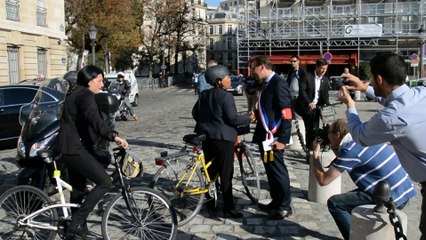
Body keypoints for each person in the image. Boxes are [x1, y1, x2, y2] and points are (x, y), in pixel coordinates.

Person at [339, 52, 426, 239]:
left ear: (379, 78)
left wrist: (350, 106)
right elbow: (394, 99)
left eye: (371, 78)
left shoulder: (392, 117)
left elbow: (360, 136)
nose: (369, 81)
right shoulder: (420, 93)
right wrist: (365, 88)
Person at [56, 65, 129, 239]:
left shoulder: (75, 93)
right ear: (90, 81)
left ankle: (76, 232)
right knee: (105, 182)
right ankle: (76, 224)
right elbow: (94, 119)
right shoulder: (86, 96)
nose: (102, 84)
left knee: (78, 190)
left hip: (69, 146)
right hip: (73, 148)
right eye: (99, 81)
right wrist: (114, 136)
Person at [312, 118, 416, 240]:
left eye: (329, 134)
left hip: (390, 198)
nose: (327, 138)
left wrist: (315, 157)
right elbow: (344, 161)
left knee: (335, 204)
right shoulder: (364, 138)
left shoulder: (350, 152)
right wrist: (335, 147)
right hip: (403, 189)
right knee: (348, 201)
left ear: (337, 134)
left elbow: (323, 180)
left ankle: (354, 237)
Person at [192, 65, 250, 218]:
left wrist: (206, 123)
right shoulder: (226, 96)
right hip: (223, 139)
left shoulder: (204, 94)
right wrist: (248, 118)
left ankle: (211, 204)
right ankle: (229, 207)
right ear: (219, 81)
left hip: (207, 138)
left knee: (210, 172)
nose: (230, 80)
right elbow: (232, 118)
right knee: (226, 174)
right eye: (227, 78)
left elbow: (195, 112)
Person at [249, 55, 293, 220]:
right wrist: (256, 115)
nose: (253, 72)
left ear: (261, 67)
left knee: (278, 171)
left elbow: (287, 113)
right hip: (266, 138)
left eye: (254, 68)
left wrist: (283, 139)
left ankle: (285, 206)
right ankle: (276, 201)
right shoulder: (266, 84)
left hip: (275, 139)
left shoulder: (278, 83)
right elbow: (269, 108)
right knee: (270, 169)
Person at [294, 57, 330, 151]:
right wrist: (309, 103)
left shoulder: (325, 80)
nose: (323, 71)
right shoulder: (307, 76)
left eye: (325, 69)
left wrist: (328, 107)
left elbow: (325, 96)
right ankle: (310, 149)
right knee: (310, 128)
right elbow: (302, 91)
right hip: (306, 106)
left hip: (317, 106)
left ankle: (321, 144)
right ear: (317, 67)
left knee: (322, 126)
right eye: (322, 68)